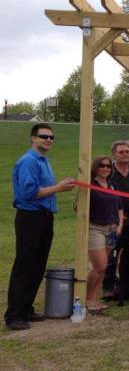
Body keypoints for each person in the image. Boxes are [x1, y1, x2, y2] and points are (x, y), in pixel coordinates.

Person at [5, 123, 75, 331]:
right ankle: (14, 314)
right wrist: (60, 188)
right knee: (25, 266)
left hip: (44, 217)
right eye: (44, 136)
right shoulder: (29, 161)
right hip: (30, 218)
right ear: (33, 138)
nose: (48, 140)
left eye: (52, 137)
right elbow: (29, 193)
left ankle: (26, 308)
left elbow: (44, 189)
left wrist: (58, 185)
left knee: (37, 265)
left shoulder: (44, 161)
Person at [103, 140, 129, 296]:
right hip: (115, 222)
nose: (125, 154)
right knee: (112, 253)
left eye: (127, 151)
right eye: (121, 152)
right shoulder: (108, 173)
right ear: (114, 154)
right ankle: (108, 286)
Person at [86, 156, 123, 313]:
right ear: (96, 167)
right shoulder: (90, 185)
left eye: (108, 166)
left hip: (111, 229)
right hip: (95, 228)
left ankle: (94, 298)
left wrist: (120, 225)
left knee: (104, 266)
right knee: (99, 266)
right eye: (102, 165)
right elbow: (78, 206)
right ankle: (87, 298)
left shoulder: (112, 186)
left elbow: (119, 207)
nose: (106, 168)